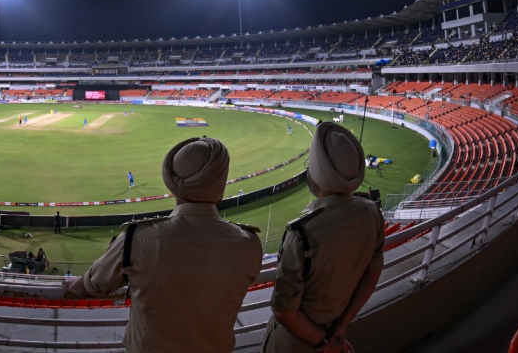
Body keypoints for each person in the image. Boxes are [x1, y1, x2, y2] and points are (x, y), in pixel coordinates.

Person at [63, 137, 263, 353]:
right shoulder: (249, 245)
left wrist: (71, 288)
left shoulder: (136, 239)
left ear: (171, 183)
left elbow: (90, 287)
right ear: (221, 183)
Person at [261, 122, 385, 353]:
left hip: (292, 344)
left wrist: (325, 343)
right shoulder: (372, 212)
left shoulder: (301, 233)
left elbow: (283, 311)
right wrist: (342, 325)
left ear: (318, 172)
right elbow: (373, 272)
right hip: (337, 329)